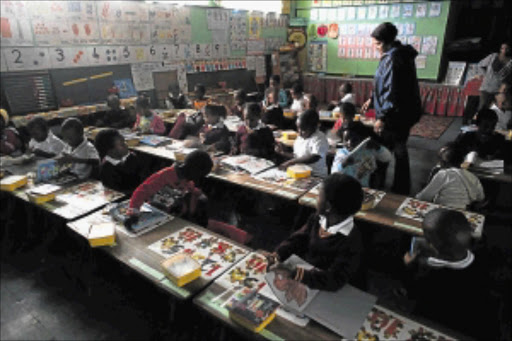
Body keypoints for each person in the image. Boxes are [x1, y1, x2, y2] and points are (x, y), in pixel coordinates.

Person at [264, 173, 364, 291]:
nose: (315, 199)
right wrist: (278, 255)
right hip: (309, 276)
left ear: (328, 207)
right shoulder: (317, 218)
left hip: (327, 287)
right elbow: (297, 240)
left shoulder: (351, 240)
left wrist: (294, 273)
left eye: (318, 196)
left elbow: (334, 280)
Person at [401, 208, 490, 339]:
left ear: (433, 246)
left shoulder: (426, 270)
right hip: (474, 324)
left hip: (431, 320)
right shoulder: (483, 259)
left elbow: (411, 292)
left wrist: (409, 266)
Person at [361, 22, 422, 195]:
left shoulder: (393, 59)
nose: (375, 48)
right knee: (400, 148)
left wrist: (382, 118)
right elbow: (384, 83)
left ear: (383, 42)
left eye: (376, 44)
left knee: (385, 149)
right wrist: (372, 99)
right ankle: (400, 187)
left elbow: (392, 90)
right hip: (404, 112)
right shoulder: (398, 54)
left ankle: (378, 186)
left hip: (396, 114)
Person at [125, 150, 213, 228]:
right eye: (199, 176)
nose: (198, 179)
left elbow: (191, 187)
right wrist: (134, 212)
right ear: (193, 171)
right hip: (155, 211)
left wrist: (199, 194)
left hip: (173, 214)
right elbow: (142, 191)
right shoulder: (164, 175)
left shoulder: (187, 179)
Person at [416, 143, 484, 210]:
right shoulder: (472, 176)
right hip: (463, 211)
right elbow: (480, 197)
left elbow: (424, 196)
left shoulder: (443, 174)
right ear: (463, 161)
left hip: (443, 210)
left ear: (441, 162)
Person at [331, 121, 392, 187]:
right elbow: (333, 174)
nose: (349, 143)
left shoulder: (368, 150)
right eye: (346, 140)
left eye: (354, 139)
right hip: (344, 188)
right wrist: (343, 164)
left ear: (361, 139)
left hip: (363, 188)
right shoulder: (341, 153)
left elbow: (388, 158)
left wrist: (378, 147)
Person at [276, 109, 329, 178]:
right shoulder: (300, 138)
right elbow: (298, 157)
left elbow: (315, 157)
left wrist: (291, 162)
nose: (300, 132)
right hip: (300, 173)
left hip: (315, 175)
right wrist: (283, 153)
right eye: (298, 128)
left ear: (314, 127)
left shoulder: (319, 138)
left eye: (303, 130)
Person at [95, 129, 145, 194]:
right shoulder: (106, 169)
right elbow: (115, 193)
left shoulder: (132, 157)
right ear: (111, 151)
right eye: (122, 144)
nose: (126, 145)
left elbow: (141, 177)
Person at [475, 42, 512, 111]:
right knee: (482, 108)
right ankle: (478, 121)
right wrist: (484, 74)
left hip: (499, 90)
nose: (504, 50)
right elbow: (480, 65)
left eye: (506, 49)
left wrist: (505, 86)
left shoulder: (510, 62)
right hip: (486, 88)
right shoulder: (493, 56)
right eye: (502, 48)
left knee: (496, 110)